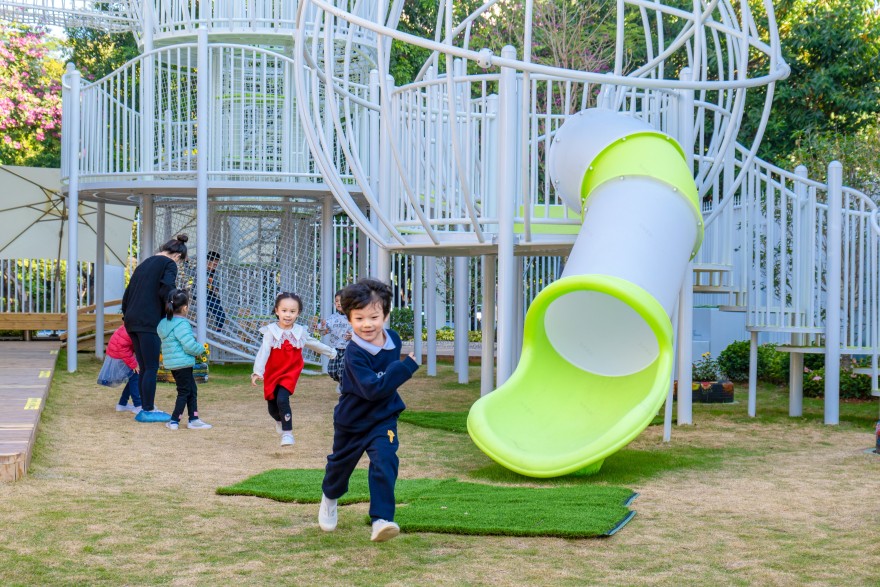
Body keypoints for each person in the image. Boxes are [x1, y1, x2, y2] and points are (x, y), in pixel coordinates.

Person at [318, 279, 419, 542]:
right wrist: (404, 368)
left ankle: (382, 519)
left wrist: (395, 372)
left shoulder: (393, 339)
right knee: (340, 467)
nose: (367, 324)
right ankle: (330, 497)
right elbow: (373, 389)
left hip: (383, 418)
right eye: (359, 318)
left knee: (385, 461)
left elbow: (383, 386)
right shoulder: (354, 353)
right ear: (349, 318)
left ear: (385, 315)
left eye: (374, 317)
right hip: (352, 421)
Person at [251, 292, 337, 447]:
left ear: (298, 313)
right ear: (277, 311)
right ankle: (280, 420)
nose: (288, 315)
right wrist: (258, 371)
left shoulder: (300, 332)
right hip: (272, 372)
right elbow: (263, 351)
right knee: (272, 407)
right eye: (284, 311)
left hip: (290, 371)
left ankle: (288, 434)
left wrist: (330, 352)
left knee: (282, 399)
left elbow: (314, 343)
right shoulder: (270, 331)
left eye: (292, 311)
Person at [122, 234, 189, 423]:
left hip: (132, 320)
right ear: (177, 256)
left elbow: (128, 292)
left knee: (144, 366)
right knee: (151, 366)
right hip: (149, 320)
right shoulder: (169, 264)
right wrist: (175, 302)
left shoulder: (144, 264)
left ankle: (143, 406)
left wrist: (126, 316)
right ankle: (149, 409)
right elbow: (166, 287)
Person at [157, 289, 213, 431]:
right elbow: (188, 345)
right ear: (185, 308)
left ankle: (194, 418)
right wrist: (201, 350)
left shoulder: (164, 323)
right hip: (182, 363)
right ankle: (175, 420)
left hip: (174, 363)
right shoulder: (182, 324)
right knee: (184, 391)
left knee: (191, 389)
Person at [320, 290, 352, 393]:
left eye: (341, 300)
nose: (338, 303)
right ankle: (342, 382)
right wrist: (322, 326)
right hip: (335, 348)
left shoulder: (354, 317)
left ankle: (345, 388)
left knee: (342, 369)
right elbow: (325, 329)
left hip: (348, 348)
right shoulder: (333, 317)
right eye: (337, 301)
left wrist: (353, 335)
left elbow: (360, 330)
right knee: (332, 371)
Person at [105, 325, 142, 414]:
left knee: (133, 377)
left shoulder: (129, 326)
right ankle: (138, 406)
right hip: (119, 356)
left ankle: (122, 404)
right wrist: (134, 365)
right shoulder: (130, 329)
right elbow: (123, 348)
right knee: (135, 376)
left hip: (117, 354)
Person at [205, 250, 226, 333]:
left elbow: (216, 286)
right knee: (203, 315)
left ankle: (218, 332)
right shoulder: (200, 270)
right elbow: (189, 273)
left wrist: (215, 288)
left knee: (221, 316)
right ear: (208, 262)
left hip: (212, 296)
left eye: (217, 264)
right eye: (214, 264)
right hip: (201, 296)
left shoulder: (215, 273)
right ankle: (197, 330)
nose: (216, 266)